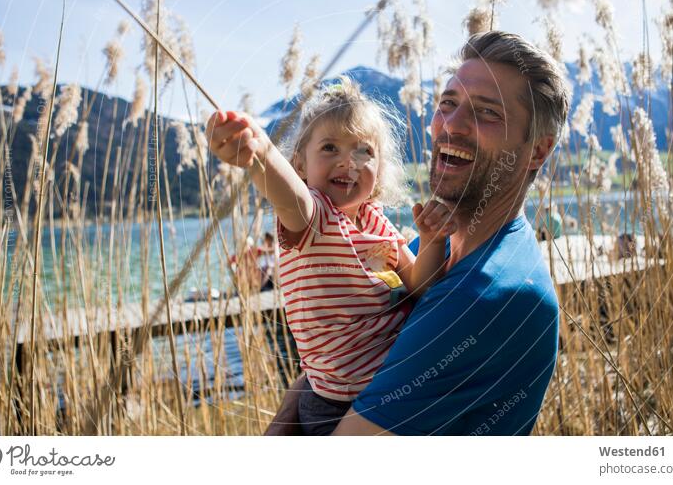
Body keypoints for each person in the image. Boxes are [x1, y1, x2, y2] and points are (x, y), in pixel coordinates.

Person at [265, 30, 568, 435]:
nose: (450, 126)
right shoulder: (430, 247)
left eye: (487, 112)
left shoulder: (487, 296)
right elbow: (345, 343)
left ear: (538, 150)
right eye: (447, 103)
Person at [206, 78, 456, 435]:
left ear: (380, 167)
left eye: (363, 151)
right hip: (336, 405)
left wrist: (431, 240)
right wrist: (261, 153)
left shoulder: (377, 221)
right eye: (329, 148)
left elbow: (422, 286)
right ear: (300, 166)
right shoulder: (315, 218)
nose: (348, 162)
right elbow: (288, 195)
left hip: (395, 388)